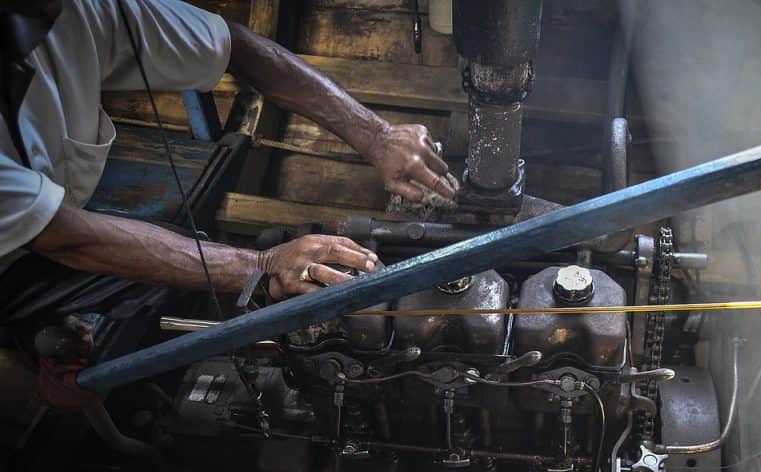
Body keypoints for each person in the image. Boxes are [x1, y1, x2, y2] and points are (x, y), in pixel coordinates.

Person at [0, 0, 457, 336]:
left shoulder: (76, 11)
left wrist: (376, 134)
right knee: (157, 313)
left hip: (48, 222)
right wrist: (261, 264)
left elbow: (234, 47)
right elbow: (63, 235)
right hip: (21, 258)